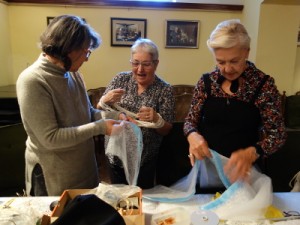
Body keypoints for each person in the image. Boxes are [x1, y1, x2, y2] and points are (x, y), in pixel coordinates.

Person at [16, 15, 125, 196]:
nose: (87, 58)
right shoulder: (33, 80)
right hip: (54, 175)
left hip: (83, 169)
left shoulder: (73, 73)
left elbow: (87, 112)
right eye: (85, 51)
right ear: (68, 49)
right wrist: (100, 127)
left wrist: (115, 117)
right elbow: (50, 138)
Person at [184, 19, 287, 185]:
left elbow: (278, 135)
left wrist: (253, 152)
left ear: (246, 52)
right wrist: (192, 135)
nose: (227, 69)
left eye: (234, 61)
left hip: (245, 174)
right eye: (220, 62)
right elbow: (190, 121)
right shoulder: (206, 82)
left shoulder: (263, 85)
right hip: (208, 170)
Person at [97, 38, 175, 189]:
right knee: (118, 198)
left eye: (146, 64)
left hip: (144, 159)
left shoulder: (165, 90)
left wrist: (157, 120)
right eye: (135, 63)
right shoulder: (120, 79)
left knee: (142, 199)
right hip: (115, 155)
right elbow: (98, 111)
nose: (140, 69)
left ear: (156, 64)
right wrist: (103, 101)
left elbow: (167, 130)